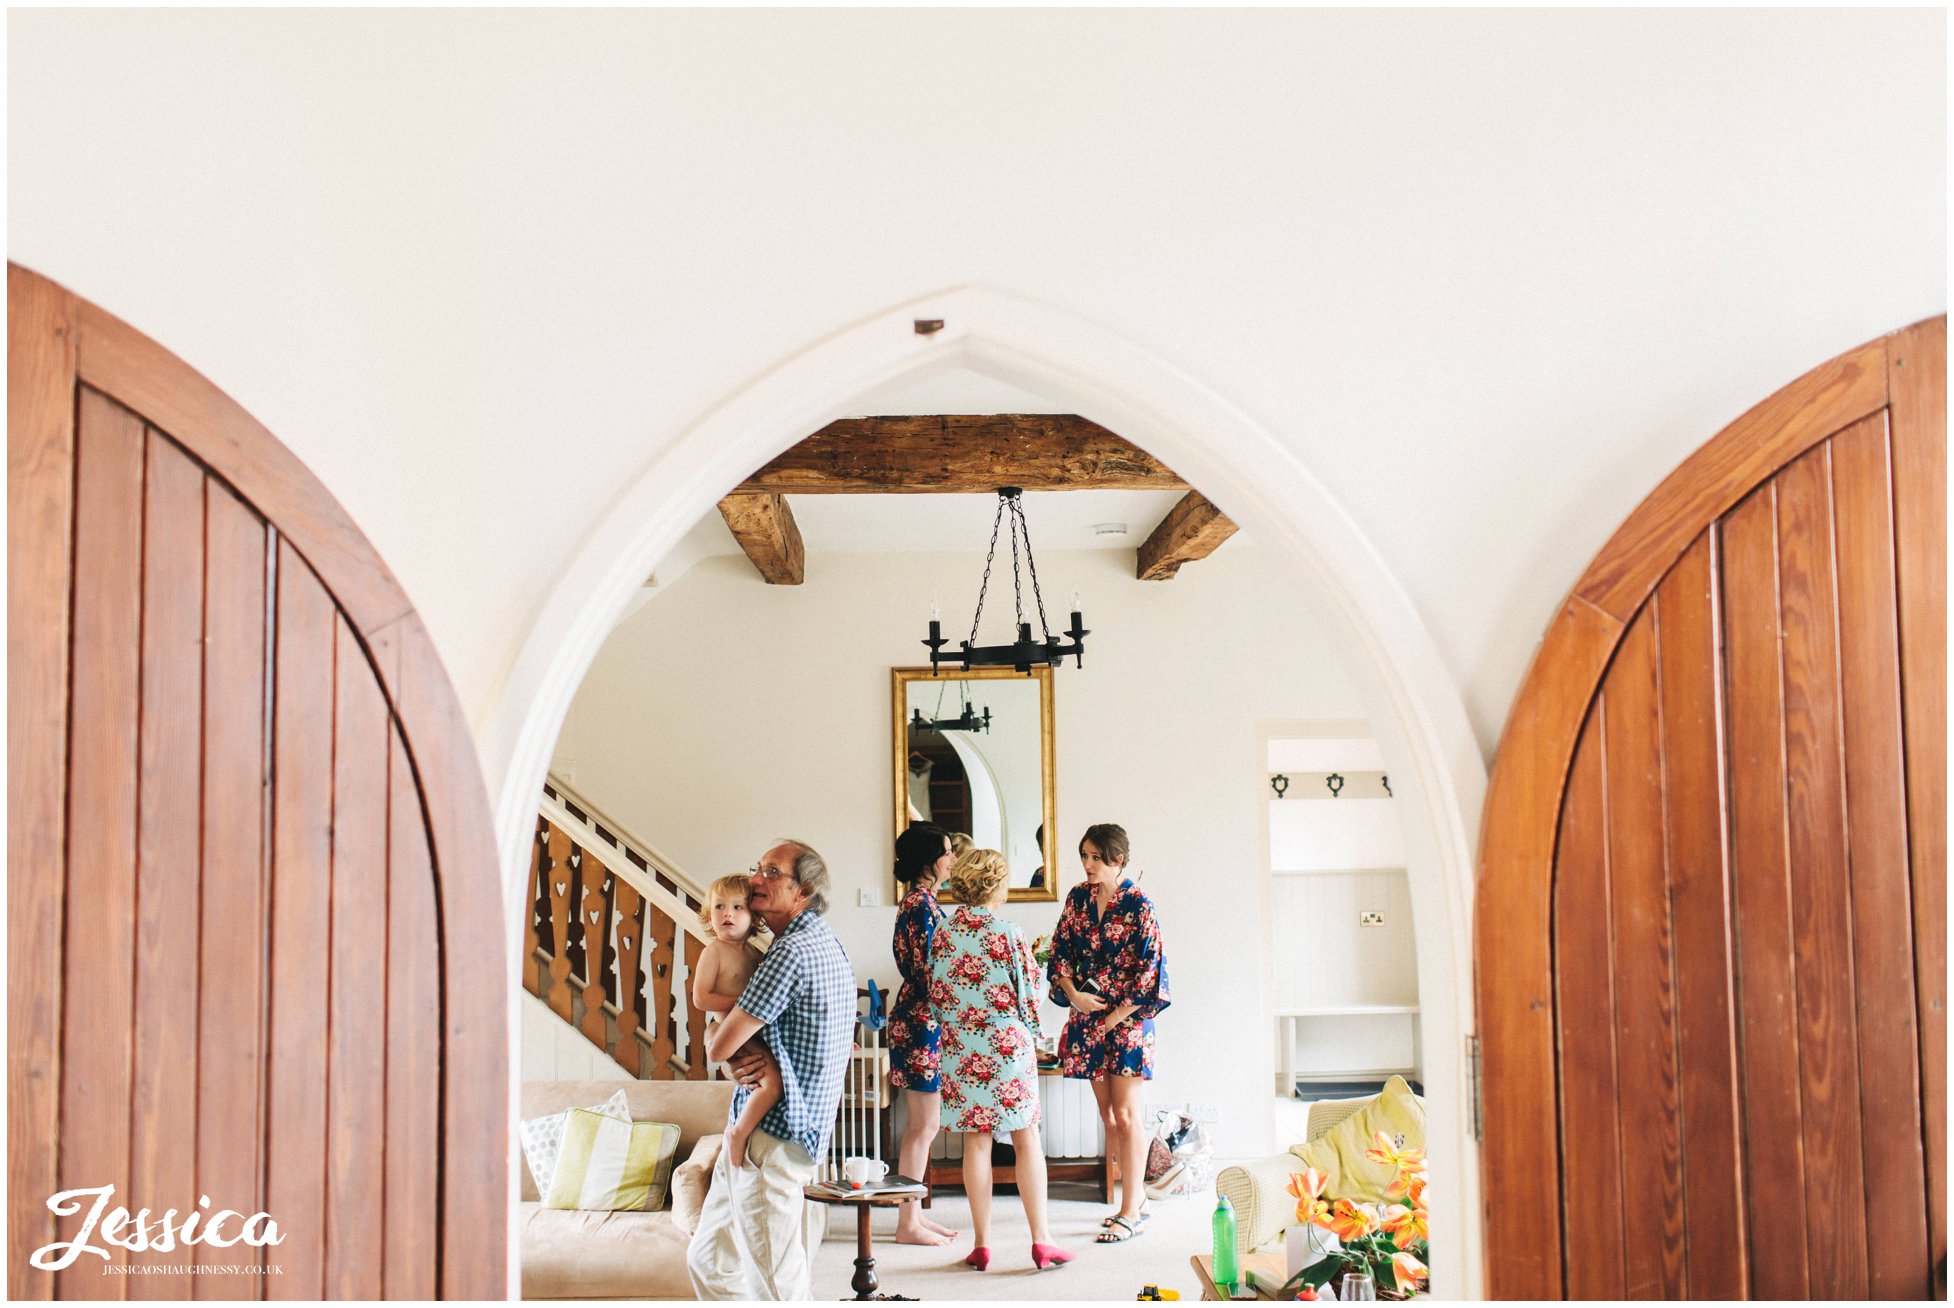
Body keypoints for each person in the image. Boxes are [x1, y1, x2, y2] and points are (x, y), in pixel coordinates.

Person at [686, 840, 855, 1301]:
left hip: (773, 1133)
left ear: (801, 891)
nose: (757, 879)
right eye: (757, 868)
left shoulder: (790, 953)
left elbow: (721, 1046)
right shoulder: (822, 939)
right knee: (709, 1259)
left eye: (772, 872)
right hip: (779, 1126)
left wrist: (723, 1051)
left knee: (774, 1280)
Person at [931, 848, 1073, 1273]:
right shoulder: (1007, 932)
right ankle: (1041, 1240)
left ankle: (981, 1244)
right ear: (997, 885)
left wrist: (959, 1031)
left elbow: (936, 996)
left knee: (975, 1142)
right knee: (1026, 1137)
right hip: (1007, 1047)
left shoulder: (942, 933)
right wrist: (1034, 1033)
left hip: (961, 1048)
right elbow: (1030, 996)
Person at [1047, 823, 1171, 1245]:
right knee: (1107, 1117)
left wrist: (1112, 1018)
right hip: (1087, 1019)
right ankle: (1136, 1200)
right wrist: (1073, 996)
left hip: (1129, 1024)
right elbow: (1059, 951)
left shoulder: (1140, 906)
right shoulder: (1077, 899)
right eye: (1084, 855)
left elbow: (1150, 972)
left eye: (1096, 857)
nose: (1087, 864)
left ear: (1118, 860)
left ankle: (1130, 1209)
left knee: (1127, 1115)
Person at [886, 823, 960, 1245]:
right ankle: (907, 1224)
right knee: (922, 1125)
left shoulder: (921, 902)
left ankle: (912, 1215)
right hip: (920, 1022)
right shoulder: (920, 906)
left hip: (921, 1020)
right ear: (929, 861)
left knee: (924, 1125)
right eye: (947, 852)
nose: (952, 860)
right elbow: (933, 972)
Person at [689, 873, 778, 1169]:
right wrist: (742, 1004)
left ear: (754, 918)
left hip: (751, 1031)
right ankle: (737, 1132)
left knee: (771, 1079)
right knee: (772, 1085)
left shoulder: (756, 953)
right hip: (731, 1030)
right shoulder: (713, 951)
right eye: (719, 907)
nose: (727, 913)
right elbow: (701, 999)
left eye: (738, 907)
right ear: (708, 914)